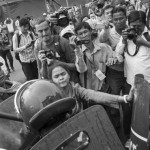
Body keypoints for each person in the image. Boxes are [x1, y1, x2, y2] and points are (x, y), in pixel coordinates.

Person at [47, 62, 134, 114]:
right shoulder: (50, 96)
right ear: (51, 80)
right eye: (56, 76)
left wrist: (125, 98)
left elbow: (95, 95)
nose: (61, 78)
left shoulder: (76, 89)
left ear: (69, 75)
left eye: (63, 74)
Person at [34, 18, 79, 83]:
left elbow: (76, 66)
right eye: (40, 31)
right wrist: (43, 63)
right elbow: (41, 74)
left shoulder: (62, 42)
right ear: (36, 33)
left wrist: (58, 63)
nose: (44, 33)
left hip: (70, 84)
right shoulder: (38, 48)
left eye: (46, 29)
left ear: (50, 29)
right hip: (54, 87)